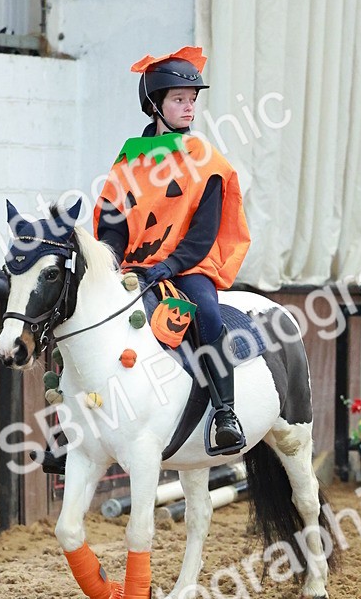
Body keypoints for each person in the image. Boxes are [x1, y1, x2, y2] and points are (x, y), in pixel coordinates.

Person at [94, 46, 251, 451]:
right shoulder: (128, 160)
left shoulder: (206, 160)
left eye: (192, 100)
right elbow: (113, 221)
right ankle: (74, 423)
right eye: (180, 100)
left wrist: (170, 265)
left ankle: (225, 412)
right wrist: (110, 265)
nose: (189, 108)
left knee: (209, 313)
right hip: (135, 266)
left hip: (187, 267)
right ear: (155, 105)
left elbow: (204, 232)